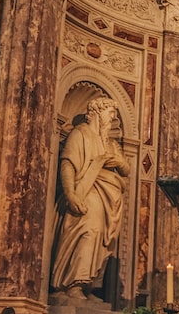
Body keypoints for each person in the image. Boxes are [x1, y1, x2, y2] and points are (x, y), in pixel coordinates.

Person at [51, 96, 129, 299]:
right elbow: (68, 164)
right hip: (87, 192)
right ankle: (72, 283)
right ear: (97, 112)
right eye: (110, 113)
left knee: (103, 243)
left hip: (110, 199)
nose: (113, 118)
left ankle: (88, 285)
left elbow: (126, 168)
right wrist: (70, 194)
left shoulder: (111, 143)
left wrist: (118, 161)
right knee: (89, 231)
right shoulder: (81, 134)